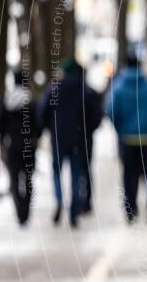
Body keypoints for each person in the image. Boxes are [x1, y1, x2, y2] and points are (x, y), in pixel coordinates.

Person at [38, 58, 103, 227]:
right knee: (77, 175)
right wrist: (87, 131)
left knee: (57, 172)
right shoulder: (86, 91)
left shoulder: (54, 90)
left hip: (59, 139)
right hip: (79, 141)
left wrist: (49, 128)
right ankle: (74, 209)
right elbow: (97, 116)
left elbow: (43, 113)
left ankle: (59, 199)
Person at [106, 54, 147, 223]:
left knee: (129, 174)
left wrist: (120, 129)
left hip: (126, 139)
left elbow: (110, 111)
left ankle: (130, 209)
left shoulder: (118, 87)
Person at [0, 69, 40, 226]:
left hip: (12, 146)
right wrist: (35, 137)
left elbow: (1, 124)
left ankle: (19, 212)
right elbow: (37, 122)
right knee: (28, 178)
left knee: (14, 180)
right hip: (29, 145)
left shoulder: (6, 100)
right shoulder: (31, 100)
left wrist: (4, 139)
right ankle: (26, 210)